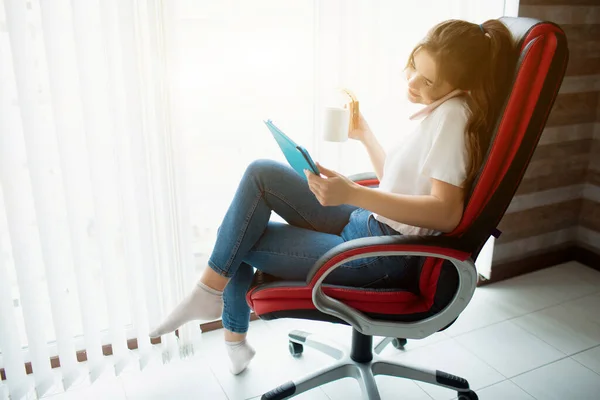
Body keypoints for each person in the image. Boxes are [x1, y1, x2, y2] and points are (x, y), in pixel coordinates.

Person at [149, 19, 515, 375]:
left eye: (429, 80)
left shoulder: (453, 118)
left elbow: (447, 213)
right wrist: (365, 135)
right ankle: (221, 315)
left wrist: (353, 192)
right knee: (259, 177)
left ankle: (222, 319)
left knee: (237, 235)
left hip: (383, 255)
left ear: (461, 87)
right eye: (414, 67)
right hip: (366, 224)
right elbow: (400, 183)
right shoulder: (441, 111)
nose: (413, 82)